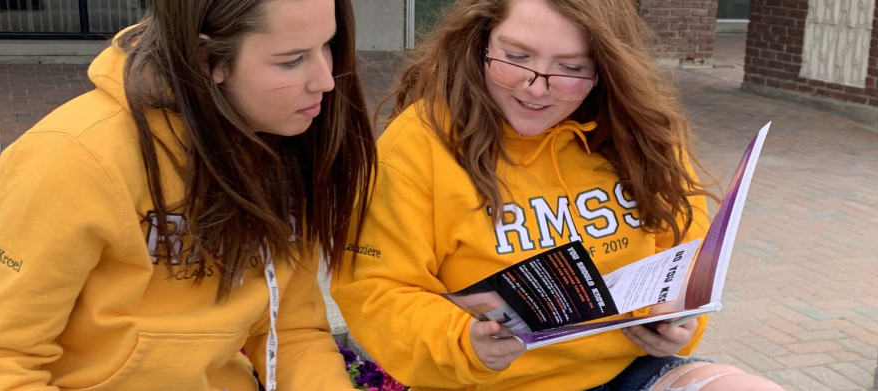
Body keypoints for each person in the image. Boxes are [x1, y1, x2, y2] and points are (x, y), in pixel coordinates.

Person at [331, 0, 785, 390]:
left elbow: (689, 255)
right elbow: (376, 291)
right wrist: (462, 339)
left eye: (570, 69)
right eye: (514, 57)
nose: (536, 86)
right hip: (480, 380)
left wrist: (681, 321)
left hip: (627, 369)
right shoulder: (417, 145)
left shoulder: (642, 137)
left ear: (607, 71)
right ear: (479, 42)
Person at [0, 0, 374, 389]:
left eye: (328, 45)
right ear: (208, 59)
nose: (326, 80)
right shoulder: (71, 157)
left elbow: (293, 332)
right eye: (292, 61)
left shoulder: (283, 144)